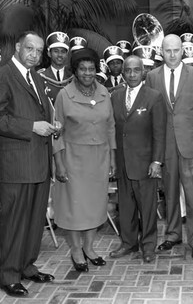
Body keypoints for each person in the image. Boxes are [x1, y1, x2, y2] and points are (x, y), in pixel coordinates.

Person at [0, 31, 57, 297]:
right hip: (14, 166)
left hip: (38, 163)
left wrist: (49, 126)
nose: (34, 55)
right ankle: (9, 275)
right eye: (30, 49)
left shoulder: (36, 77)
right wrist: (32, 127)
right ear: (17, 47)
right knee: (14, 222)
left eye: (39, 51)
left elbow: (37, 114)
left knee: (35, 221)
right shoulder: (0, 76)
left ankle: (27, 266)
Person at [145, 34, 193, 259]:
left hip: (191, 144)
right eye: (168, 50)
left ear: (183, 51)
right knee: (170, 193)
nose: (172, 55)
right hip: (166, 146)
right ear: (161, 52)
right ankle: (173, 234)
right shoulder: (152, 77)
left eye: (176, 50)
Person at [52, 48, 116, 271]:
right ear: (75, 71)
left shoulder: (104, 92)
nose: (88, 73)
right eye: (83, 69)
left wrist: (113, 157)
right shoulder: (64, 95)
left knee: (95, 206)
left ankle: (89, 247)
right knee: (75, 208)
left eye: (91, 69)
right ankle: (76, 250)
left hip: (99, 158)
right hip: (73, 159)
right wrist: (59, 163)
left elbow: (110, 126)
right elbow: (56, 132)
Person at [109, 56, 166, 263]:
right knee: (125, 206)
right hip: (123, 161)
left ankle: (148, 246)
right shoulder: (115, 96)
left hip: (145, 163)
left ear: (144, 72)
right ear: (122, 73)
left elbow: (159, 132)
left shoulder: (154, 96)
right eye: (128, 70)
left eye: (136, 70)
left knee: (148, 208)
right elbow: (113, 129)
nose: (132, 74)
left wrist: (157, 161)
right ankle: (128, 243)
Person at [38, 31, 72, 104]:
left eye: (63, 52)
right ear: (49, 53)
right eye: (56, 51)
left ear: (67, 54)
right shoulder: (40, 77)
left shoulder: (73, 77)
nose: (60, 55)